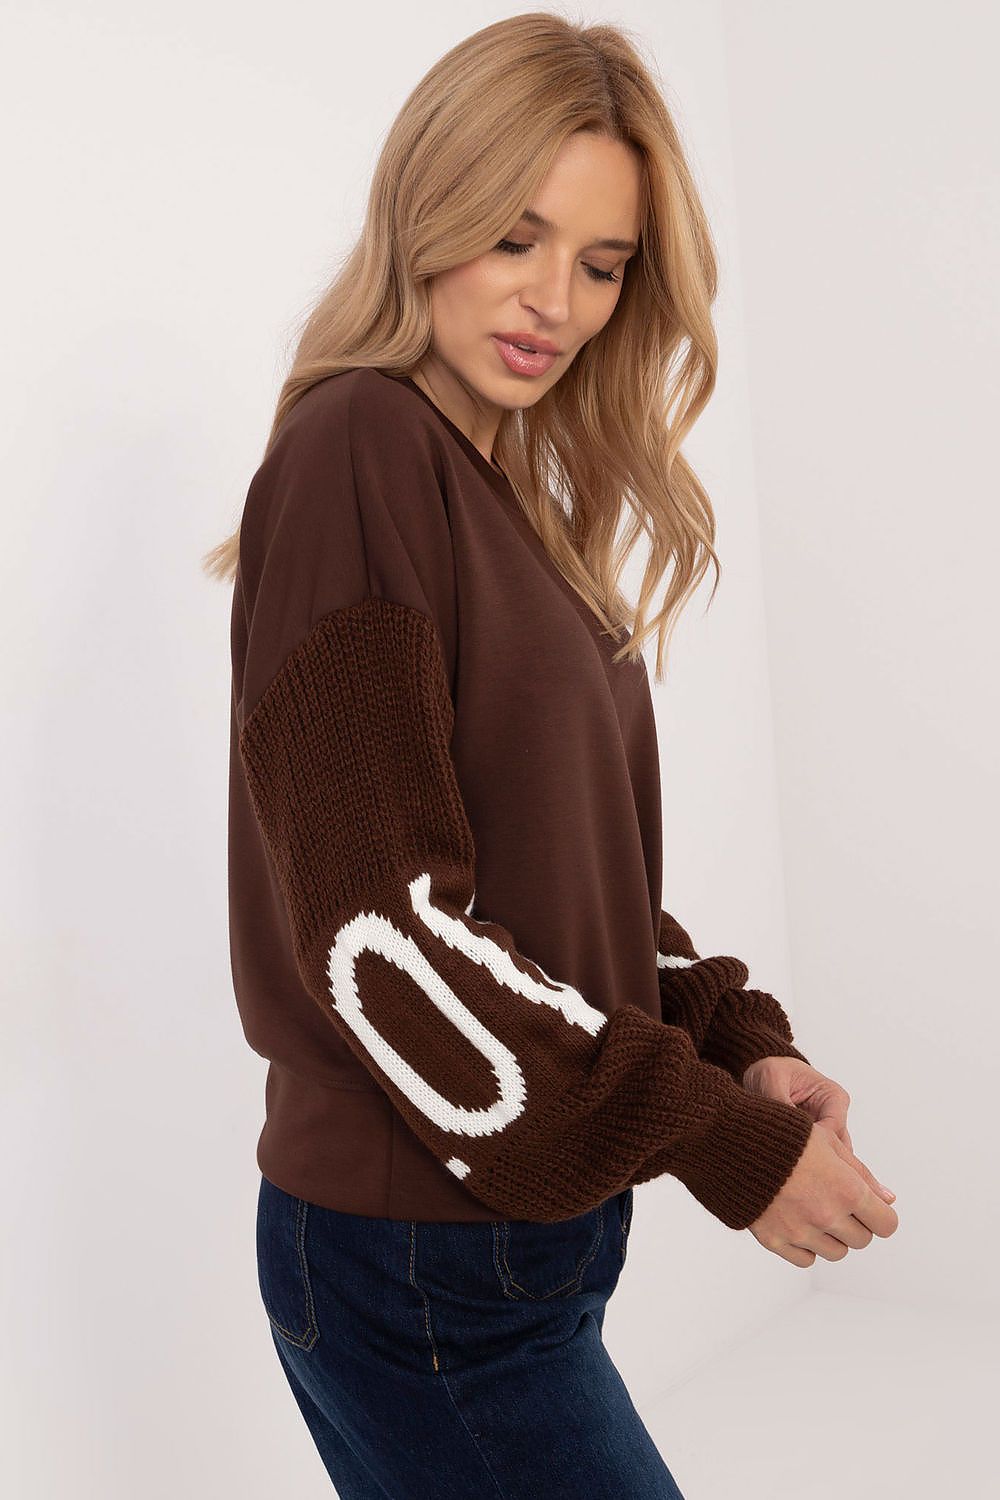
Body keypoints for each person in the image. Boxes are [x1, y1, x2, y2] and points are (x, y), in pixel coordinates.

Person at [203, 13, 898, 1497]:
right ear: (426, 209)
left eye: (603, 264)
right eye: (516, 236)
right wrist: (717, 1141)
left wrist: (735, 1047)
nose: (556, 301)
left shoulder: (497, 495)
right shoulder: (358, 448)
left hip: (501, 1246)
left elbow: (557, 891)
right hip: (422, 1259)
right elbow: (386, 932)